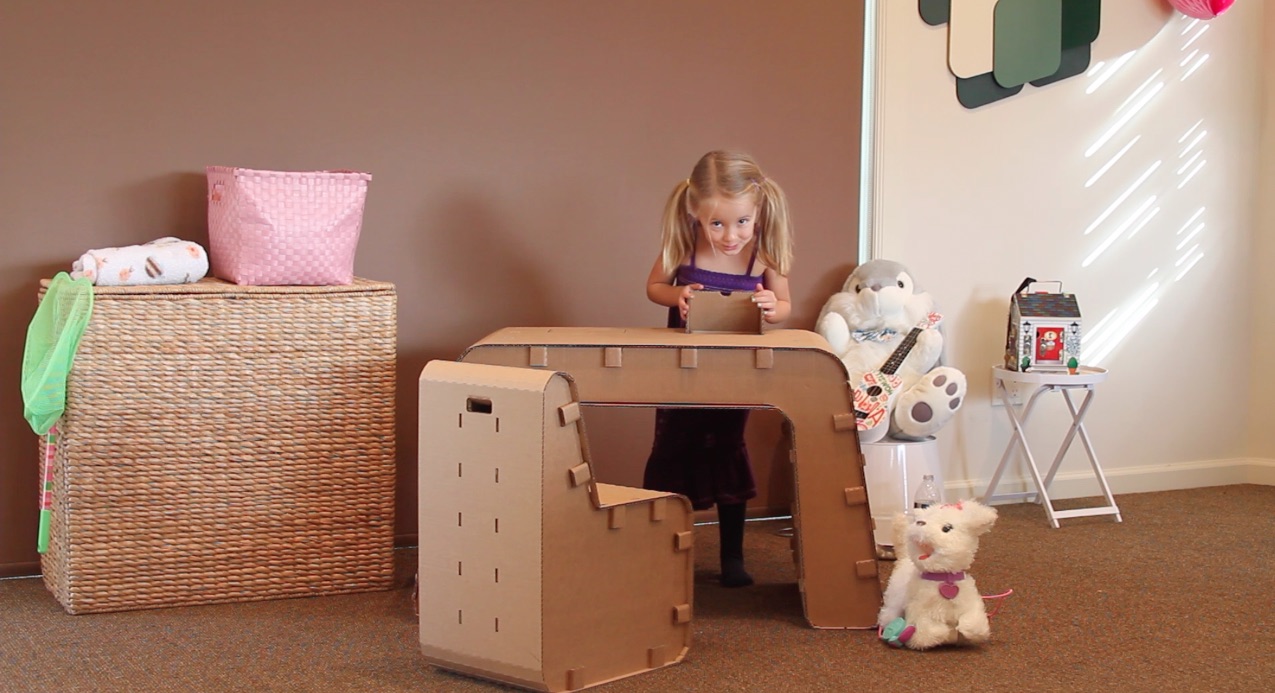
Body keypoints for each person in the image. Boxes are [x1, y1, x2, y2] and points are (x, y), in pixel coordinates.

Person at [643, 150, 794, 587]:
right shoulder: (682, 245)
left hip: (734, 371)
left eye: (742, 222)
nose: (731, 236)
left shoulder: (762, 254)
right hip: (683, 369)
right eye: (717, 224)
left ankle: (732, 556)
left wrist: (772, 306)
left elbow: (785, 305)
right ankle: (661, 551)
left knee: (727, 447)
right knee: (672, 447)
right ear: (695, 212)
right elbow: (654, 287)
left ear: (758, 211)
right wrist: (677, 297)